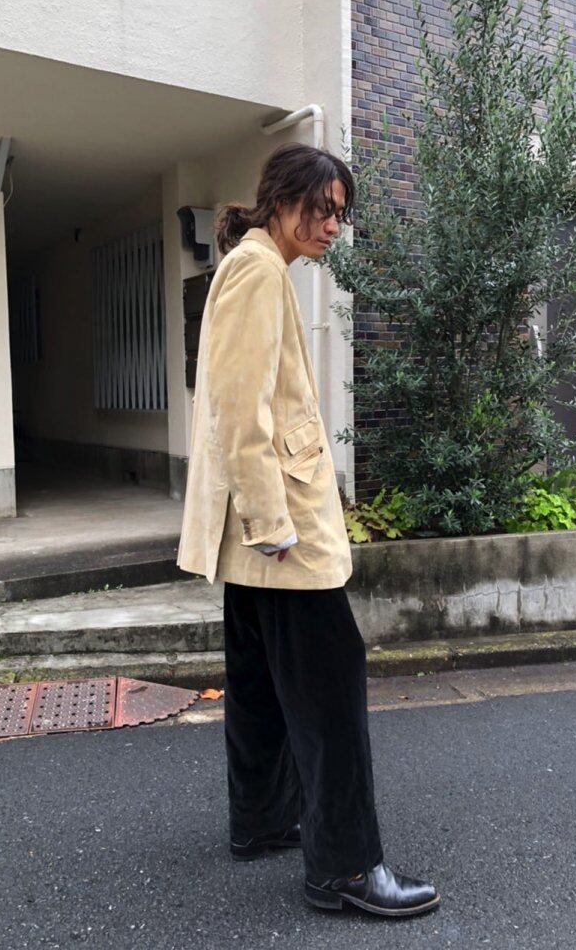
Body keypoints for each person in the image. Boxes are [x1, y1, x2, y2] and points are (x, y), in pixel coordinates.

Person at [177, 141, 440, 917]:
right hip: (278, 528)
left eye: (339, 214)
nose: (331, 226)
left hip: (258, 527)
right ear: (281, 200)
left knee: (260, 683)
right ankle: (346, 869)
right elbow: (239, 409)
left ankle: (262, 821)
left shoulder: (256, 265)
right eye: (321, 209)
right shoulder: (258, 271)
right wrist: (271, 522)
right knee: (330, 686)